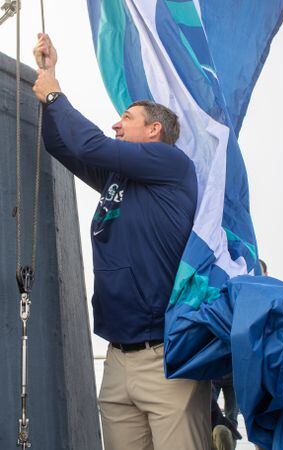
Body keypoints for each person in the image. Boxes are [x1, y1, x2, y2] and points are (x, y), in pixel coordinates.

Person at [33, 34, 211, 450]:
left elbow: (89, 143)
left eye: (126, 117)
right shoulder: (119, 179)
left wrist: (57, 96)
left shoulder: (172, 164)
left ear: (153, 130)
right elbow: (62, 144)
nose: (116, 123)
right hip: (117, 358)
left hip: (165, 357)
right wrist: (48, 75)